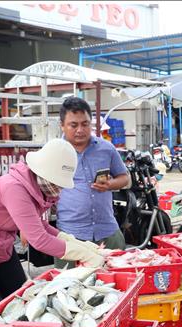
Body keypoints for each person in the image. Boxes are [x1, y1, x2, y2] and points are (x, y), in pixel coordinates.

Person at [0, 138, 105, 318]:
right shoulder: (15, 189)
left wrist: (76, 243)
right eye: (57, 183)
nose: (59, 189)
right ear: (44, 173)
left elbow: (38, 225)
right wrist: (84, 254)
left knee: (22, 296)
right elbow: (39, 240)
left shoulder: (36, 187)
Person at [55, 97, 129, 268]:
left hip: (108, 230)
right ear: (62, 125)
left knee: (117, 284)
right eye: (73, 125)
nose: (80, 130)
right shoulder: (55, 151)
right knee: (70, 287)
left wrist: (110, 184)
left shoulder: (106, 148)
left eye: (85, 124)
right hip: (71, 235)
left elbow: (124, 177)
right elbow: (38, 191)